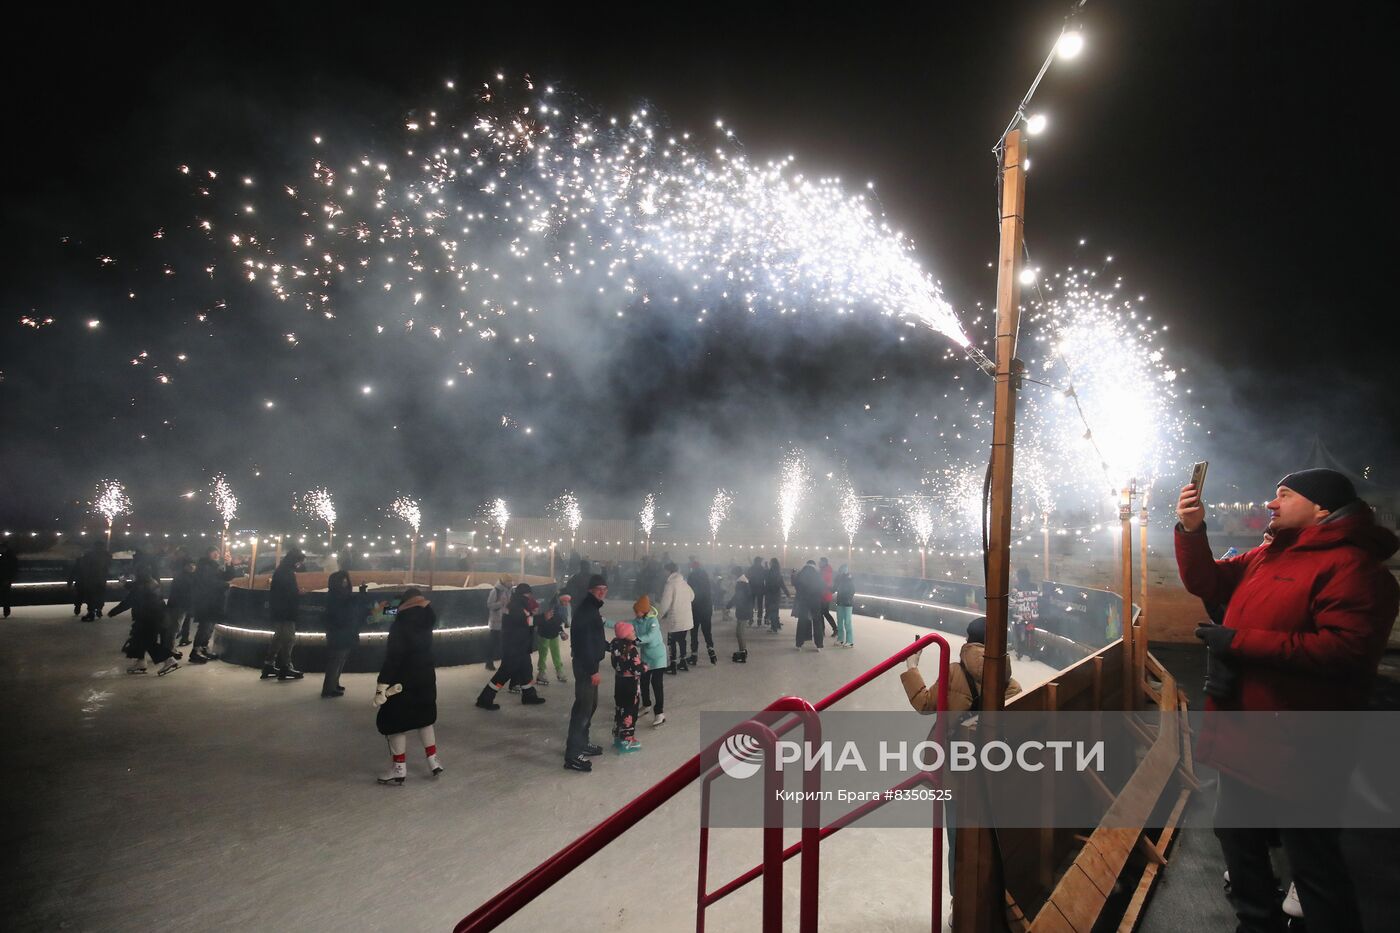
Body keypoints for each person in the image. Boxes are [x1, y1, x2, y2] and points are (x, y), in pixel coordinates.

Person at [1174, 467, 1398, 933]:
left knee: (1313, 862)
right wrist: (1192, 532)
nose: (1271, 505)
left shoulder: (1353, 567)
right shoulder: (1269, 554)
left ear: (1320, 506)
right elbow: (1208, 584)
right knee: (1238, 841)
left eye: (1283, 495)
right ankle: (1256, 925)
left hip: (1303, 744)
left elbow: (1345, 649)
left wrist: (1238, 642)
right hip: (1245, 733)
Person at [901, 617, 1023, 887]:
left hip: (955, 772)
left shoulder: (954, 672)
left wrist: (911, 666)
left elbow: (924, 703)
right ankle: (989, 895)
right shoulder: (1010, 685)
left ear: (969, 643)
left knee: (957, 838)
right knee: (990, 837)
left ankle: (960, 901)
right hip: (992, 774)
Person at [373, 588, 443, 784]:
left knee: (394, 722)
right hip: (425, 676)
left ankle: (399, 768)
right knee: (424, 718)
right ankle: (433, 761)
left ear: (404, 603)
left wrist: (382, 684)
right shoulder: (427, 617)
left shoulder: (401, 625)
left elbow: (394, 657)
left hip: (402, 680)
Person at [476, 583, 547, 709]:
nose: (530, 597)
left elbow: (526, 621)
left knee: (526, 670)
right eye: (529, 594)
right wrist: (543, 617)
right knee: (504, 673)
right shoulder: (516, 606)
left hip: (520, 646)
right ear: (526, 594)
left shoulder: (518, 604)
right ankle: (485, 698)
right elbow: (525, 621)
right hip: (514, 647)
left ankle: (529, 695)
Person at [564, 574, 609, 773]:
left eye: (604, 589)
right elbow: (583, 643)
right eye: (598, 588)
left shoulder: (592, 608)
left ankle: (583, 742)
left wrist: (611, 646)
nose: (602, 592)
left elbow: (595, 637)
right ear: (591, 590)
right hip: (586, 666)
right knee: (583, 709)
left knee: (590, 706)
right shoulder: (587, 610)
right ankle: (573, 755)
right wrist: (592, 670)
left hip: (590, 664)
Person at [109, 573, 180, 676]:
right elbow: (135, 589)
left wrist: (112, 612)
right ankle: (140, 662)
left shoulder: (141, 587)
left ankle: (168, 659)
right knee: (138, 639)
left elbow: (128, 601)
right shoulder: (152, 582)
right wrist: (125, 585)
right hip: (156, 617)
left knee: (147, 642)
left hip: (148, 618)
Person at [262, 549, 305, 681]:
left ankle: (269, 664)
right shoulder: (287, 573)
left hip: (278, 610)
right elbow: (289, 593)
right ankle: (286, 667)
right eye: (299, 562)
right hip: (287, 611)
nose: (300, 565)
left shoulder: (280, 570)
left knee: (278, 637)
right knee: (288, 638)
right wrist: (300, 593)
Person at [189, 548, 238, 664]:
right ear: (208, 554)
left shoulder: (214, 566)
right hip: (206, 601)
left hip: (214, 601)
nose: (217, 554)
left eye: (217, 552)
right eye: (213, 552)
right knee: (205, 627)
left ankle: (204, 648)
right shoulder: (205, 567)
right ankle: (196, 651)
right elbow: (209, 583)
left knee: (209, 627)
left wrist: (229, 564)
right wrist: (227, 584)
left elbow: (228, 576)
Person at [322, 569, 360, 698]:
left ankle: (334, 684)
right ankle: (328, 688)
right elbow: (339, 615)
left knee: (340, 660)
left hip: (341, 632)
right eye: (343, 581)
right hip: (339, 633)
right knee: (336, 660)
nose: (345, 583)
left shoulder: (339, 596)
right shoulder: (336, 597)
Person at [608, 620, 644, 753]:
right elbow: (636, 669)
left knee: (620, 708)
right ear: (625, 635)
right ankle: (627, 739)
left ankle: (618, 736)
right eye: (632, 632)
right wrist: (645, 666)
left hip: (619, 681)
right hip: (631, 684)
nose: (634, 633)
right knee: (630, 710)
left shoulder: (615, 646)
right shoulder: (631, 649)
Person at [632, 596, 668, 725]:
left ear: (644, 611)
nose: (636, 614)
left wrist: (637, 640)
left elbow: (651, 636)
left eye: (638, 611)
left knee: (656, 683)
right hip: (646, 656)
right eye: (635, 611)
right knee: (644, 682)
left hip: (658, 656)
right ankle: (646, 705)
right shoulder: (636, 621)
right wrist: (605, 622)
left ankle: (659, 713)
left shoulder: (653, 621)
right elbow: (623, 626)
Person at [656, 562, 695, 674]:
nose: (664, 573)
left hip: (676, 619)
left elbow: (665, 603)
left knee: (671, 641)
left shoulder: (670, 584)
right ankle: (683, 662)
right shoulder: (684, 582)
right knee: (682, 640)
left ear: (668, 571)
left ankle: (673, 664)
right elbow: (692, 596)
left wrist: (657, 616)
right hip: (686, 618)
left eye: (665, 570)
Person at [535, 593, 569, 685]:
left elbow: (557, 622)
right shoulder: (550, 606)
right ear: (560, 599)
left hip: (554, 633)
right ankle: (541, 673)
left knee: (556, 653)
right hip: (544, 633)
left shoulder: (562, 608)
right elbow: (550, 622)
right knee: (543, 654)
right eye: (565, 601)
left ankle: (559, 671)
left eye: (568, 601)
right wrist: (561, 631)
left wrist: (561, 631)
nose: (567, 603)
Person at [687, 557, 716, 665]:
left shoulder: (691, 576)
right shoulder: (706, 576)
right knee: (707, 631)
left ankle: (694, 655)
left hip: (695, 608)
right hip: (707, 608)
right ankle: (711, 651)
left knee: (694, 633)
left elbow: (689, 592)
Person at [73, 541, 112, 621]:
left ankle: (90, 610)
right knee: (99, 595)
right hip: (100, 580)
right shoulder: (106, 555)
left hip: (91, 579)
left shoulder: (89, 555)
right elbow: (108, 567)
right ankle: (98, 609)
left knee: (90, 595)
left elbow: (81, 567)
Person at [484, 573, 512, 671]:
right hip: (496, 622)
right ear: (504, 582)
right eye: (509, 581)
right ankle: (489, 662)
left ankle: (504, 663)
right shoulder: (495, 591)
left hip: (505, 621)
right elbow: (489, 605)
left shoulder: (509, 591)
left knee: (503, 644)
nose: (511, 583)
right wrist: (501, 604)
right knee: (494, 643)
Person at [1011, 567, 1040, 661]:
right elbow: (1038, 599)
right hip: (1031, 615)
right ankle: (1032, 654)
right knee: (1030, 633)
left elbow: (1012, 602)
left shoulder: (1016, 588)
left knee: (1019, 633)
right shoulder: (1035, 586)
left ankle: (1020, 652)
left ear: (1019, 577)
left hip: (1020, 616)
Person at [727, 565, 753, 662]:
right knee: (740, 632)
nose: (732, 577)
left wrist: (728, 605)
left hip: (743, 610)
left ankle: (742, 652)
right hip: (745, 609)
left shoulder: (741, 583)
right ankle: (743, 650)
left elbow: (737, 596)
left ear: (736, 574)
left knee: (740, 632)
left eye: (733, 574)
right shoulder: (744, 581)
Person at [170, 558, 197, 646]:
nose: (192, 567)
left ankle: (180, 641)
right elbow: (179, 592)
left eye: (193, 565)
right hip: (180, 605)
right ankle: (171, 647)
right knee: (176, 627)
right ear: (185, 566)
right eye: (189, 565)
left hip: (185, 605)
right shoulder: (181, 577)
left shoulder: (191, 576)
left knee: (182, 624)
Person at [764, 558, 789, 632]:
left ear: (771, 563)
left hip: (770, 595)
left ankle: (774, 627)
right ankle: (777, 625)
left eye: (770, 562)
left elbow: (766, 583)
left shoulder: (769, 572)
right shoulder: (778, 573)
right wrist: (787, 593)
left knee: (772, 612)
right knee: (775, 611)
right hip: (777, 595)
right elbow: (782, 584)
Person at [833, 563, 855, 648]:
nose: (841, 572)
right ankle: (840, 639)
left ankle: (850, 641)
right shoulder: (839, 579)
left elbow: (853, 590)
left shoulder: (850, 579)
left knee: (847, 622)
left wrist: (848, 599)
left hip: (848, 604)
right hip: (840, 602)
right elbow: (834, 588)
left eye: (843, 570)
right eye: (841, 570)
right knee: (840, 621)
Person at [818, 557, 838, 638]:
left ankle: (831, 629)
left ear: (824, 562)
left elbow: (823, 582)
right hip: (824, 595)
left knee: (823, 613)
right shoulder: (825, 570)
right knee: (823, 613)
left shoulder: (825, 571)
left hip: (824, 595)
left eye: (820, 562)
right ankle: (831, 629)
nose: (819, 563)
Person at [0, 540, 18, 618]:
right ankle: (6, 612)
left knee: (5, 596)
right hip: (6, 578)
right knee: (6, 596)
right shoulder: (10, 556)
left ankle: (6, 612)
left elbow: (11, 568)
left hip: (5, 578)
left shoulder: (7, 557)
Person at [749, 557, 768, 627]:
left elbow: (748, 576)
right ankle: (759, 620)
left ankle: (750, 619)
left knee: (751, 604)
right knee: (760, 605)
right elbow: (766, 577)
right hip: (760, 588)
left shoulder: (751, 568)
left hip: (752, 588)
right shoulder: (762, 569)